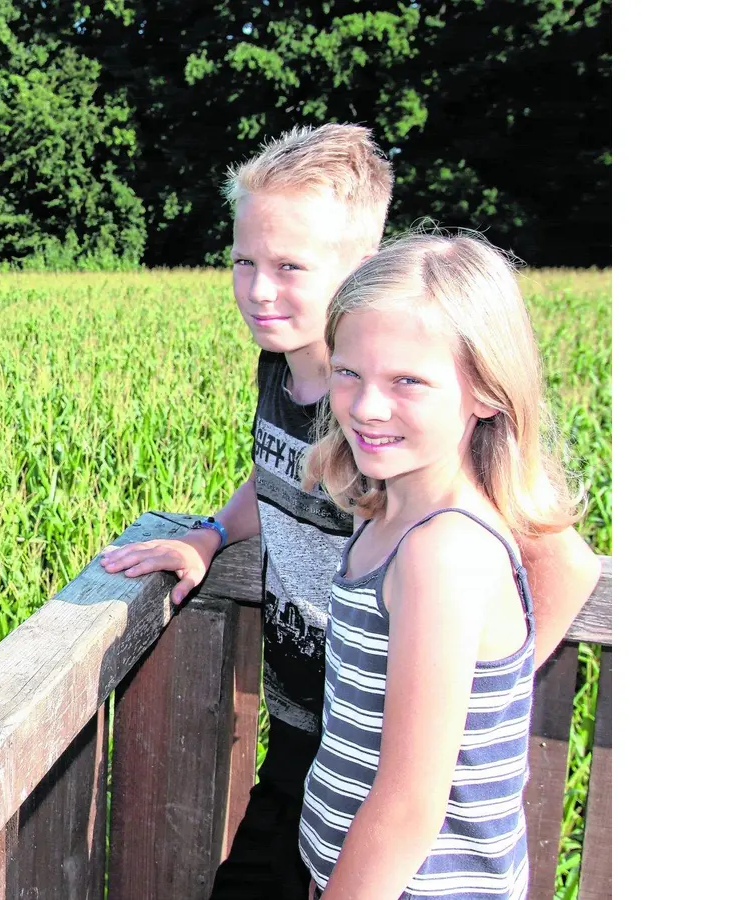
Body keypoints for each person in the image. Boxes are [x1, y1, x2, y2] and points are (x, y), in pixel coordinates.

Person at [97, 124, 600, 900]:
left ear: (361, 272)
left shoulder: (416, 469)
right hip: (316, 738)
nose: (260, 289)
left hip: (380, 771)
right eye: (244, 263)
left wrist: (457, 696)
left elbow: (562, 560)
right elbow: (279, 473)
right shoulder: (318, 404)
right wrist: (213, 532)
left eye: (290, 266)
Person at [296, 231, 578, 899]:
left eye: (407, 381)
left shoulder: (442, 552)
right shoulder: (388, 515)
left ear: (485, 391)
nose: (366, 407)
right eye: (347, 372)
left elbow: (408, 809)